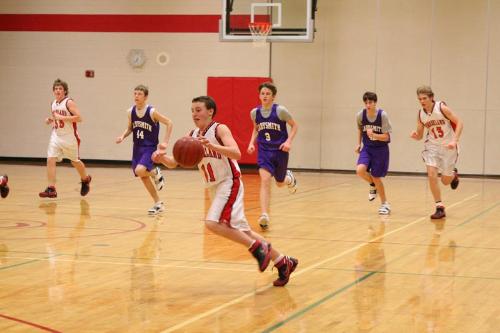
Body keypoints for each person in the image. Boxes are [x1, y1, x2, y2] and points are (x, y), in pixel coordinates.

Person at [154, 96, 298, 287]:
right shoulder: (192, 135)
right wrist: (161, 158)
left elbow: (236, 153)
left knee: (212, 223)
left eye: (198, 110)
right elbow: (176, 162)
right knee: (243, 231)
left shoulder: (219, 129)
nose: (194, 114)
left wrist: (212, 146)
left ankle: (257, 249)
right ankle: (282, 262)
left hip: (230, 181)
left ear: (210, 111)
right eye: (192, 111)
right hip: (214, 186)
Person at [246, 82, 298, 229]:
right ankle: (264, 215)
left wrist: (288, 141)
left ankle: (289, 178)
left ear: (273, 96)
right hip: (264, 151)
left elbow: (295, 125)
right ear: (259, 95)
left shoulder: (280, 111)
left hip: (280, 151)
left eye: (268, 93)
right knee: (265, 180)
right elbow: (256, 129)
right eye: (262, 93)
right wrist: (251, 143)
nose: (265, 96)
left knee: (280, 183)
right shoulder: (255, 113)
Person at [116, 85, 172, 215]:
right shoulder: (130, 111)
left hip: (149, 147)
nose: (136, 96)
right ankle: (158, 203)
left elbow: (169, 122)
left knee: (140, 170)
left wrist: (165, 142)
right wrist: (122, 136)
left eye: (139, 94)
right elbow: (130, 128)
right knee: (142, 176)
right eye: (135, 93)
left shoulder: (152, 112)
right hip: (137, 148)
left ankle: (155, 172)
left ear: (145, 97)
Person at [410, 86, 462, 219]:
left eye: (424, 98)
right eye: (419, 99)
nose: (422, 101)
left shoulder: (441, 108)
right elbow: (420, 135)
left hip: (448, 146)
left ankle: (453, 175)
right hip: (432, 146)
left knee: (445, 181)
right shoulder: (420, 114)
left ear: (431, 97)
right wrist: (416, 135)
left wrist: (454, 141)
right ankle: (439, 207)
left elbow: (460, 122)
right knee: (431, 174)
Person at [40, 79, 92, 198]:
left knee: (75, 161)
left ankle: (85, 180)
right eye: (56, 88)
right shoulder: (53, 103)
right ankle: (51, 188)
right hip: (56, 136)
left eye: (60, 89)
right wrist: (51, 120)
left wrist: (61, 118)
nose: (58, 90)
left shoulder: (69, 102)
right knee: (50, 159)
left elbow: (79, 118)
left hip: (70, 138)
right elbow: (57, 118)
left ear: (65, 91)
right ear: (53, 91)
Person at [355, 92, 392, 215]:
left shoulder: (382, 115)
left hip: (380, 150)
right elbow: (360, 130)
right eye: (366, 103)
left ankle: (385, 204)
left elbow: (387, 137)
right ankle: (372, 184)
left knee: (376, 177)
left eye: (370, 102)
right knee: (360, 170)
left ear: (375, 102)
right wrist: (358, 144)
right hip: (367, 148)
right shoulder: (360, 115)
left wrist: (374, 135)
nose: (368, 105)